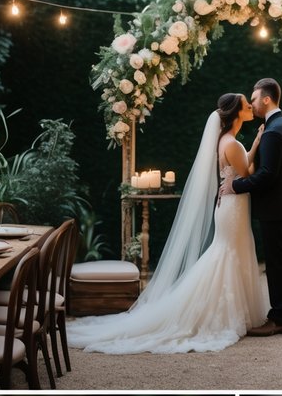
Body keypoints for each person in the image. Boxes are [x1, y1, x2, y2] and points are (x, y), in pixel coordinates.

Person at [67, 94, 266, 354]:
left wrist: (255, 144)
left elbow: (240, 167)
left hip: (228, 206)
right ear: (236, 113)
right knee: (227, 254)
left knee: (226, 253)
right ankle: (219, 313)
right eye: (246, 104)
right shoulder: (233, 144)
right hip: (233, 208)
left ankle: (227, 309)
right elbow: (247, 173)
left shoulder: (225, 142)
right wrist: (257, 149)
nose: (250, 106)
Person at [220, 77, 282, 335]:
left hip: (273, 206)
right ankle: (280, 314)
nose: (251, 104)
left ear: (266, 99)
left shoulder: (274, 131)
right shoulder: (279, 125)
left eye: (253, 99)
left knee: (276, 263)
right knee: (277, 261)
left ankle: (281, 318)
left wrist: (235, 186)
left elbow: (267, 174)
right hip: (277, 204)